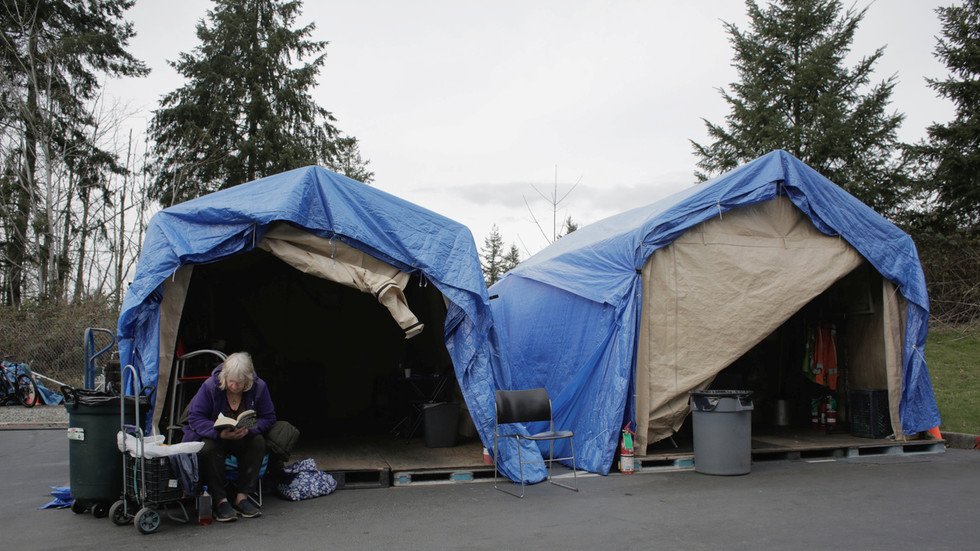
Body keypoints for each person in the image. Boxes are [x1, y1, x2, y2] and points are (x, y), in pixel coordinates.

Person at [182, 351, 276, 522]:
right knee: (208, 447)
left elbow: (268, 417)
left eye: (240, 383)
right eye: (231, 381)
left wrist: (250, 429)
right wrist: (219, 432)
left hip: (243, 436)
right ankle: (220, 500)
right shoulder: (210, 386)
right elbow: (195, 418)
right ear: (225, 377)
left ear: (248, 380)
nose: (234, 386)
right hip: (217, 437)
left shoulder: (259, 387)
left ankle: (243, 496)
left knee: (258, 442)